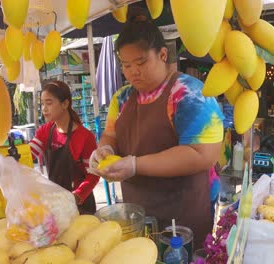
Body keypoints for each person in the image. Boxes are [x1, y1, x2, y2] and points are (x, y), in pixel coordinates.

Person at [88, 13, 224, 247]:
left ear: (162, 55)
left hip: (183, 212)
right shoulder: (122, 98)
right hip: (138, 211)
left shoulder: (190, 94)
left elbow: (203, 154)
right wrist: (104, 149)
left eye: (140, 63)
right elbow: (111, 134)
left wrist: (134, 165)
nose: (132, 72)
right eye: (126, 65)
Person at [30, 80, 99, 214]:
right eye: (42, 103)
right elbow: (29, 154)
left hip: (81, 205)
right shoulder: (45, 131)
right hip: (56, 203)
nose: (44, 109)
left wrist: (77, 196)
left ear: (65, 104)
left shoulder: (85, 137)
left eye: (49, 103)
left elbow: (93, 175)